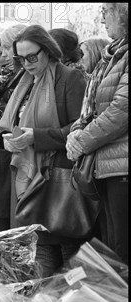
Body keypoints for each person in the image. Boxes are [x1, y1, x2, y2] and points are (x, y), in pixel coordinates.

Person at [0, 25, 87, 276]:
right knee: (43, 253)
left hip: (61, 180)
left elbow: (80, 129)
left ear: (47, 50)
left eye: (32, 57)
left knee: (70, 257)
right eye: (20, 59)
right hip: (33, 178)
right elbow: (12, 122)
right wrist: (12, 140)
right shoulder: (25, 83)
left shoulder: (69, 78)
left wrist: (36, 137)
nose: (26, 64)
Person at [66, 3, 128, 264]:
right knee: (113, 246)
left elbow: (121, 110)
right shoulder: (113, 55)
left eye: (108, 10)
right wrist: (76, 130)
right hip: (108, 164)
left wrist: (81, 141)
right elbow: (91, 109)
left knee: (122, 248)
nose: (102, 16)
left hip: (122, 167)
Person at [0, 24, 28, 231]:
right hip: (3, 154)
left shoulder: (26, 77)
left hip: (17, 156)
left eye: (5, 48)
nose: (0, 56)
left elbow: (10, 117)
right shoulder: (11, 77)